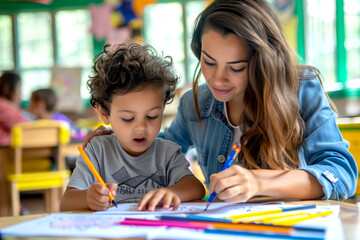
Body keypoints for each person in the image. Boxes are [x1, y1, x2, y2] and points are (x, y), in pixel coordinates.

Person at [84, 0, 357, 203]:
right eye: (209, 62)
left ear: (262, 62)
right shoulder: (198, 102)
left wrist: (258, 181)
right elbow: (163, 149)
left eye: (236, 68)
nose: (218, 80)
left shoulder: (300, 90)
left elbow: (341, 173)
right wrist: (119, 137)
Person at [60, 42, 205, 212]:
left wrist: (172, 192)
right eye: (128, 118)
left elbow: (196, 188)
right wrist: (88, 198)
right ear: (105, 114)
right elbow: (66, 202)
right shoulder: (98, 150)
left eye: (152, 116)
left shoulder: (167, 153)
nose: (141, 127)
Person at [0, 71, 30, 145]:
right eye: (19, 89)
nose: (20, 93)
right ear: (7, 89)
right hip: (6, 150)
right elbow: (27, 128)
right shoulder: (3, 106)